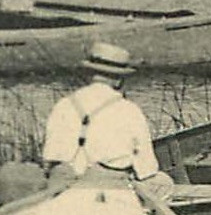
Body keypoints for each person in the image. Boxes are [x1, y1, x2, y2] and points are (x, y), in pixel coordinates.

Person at [40, 41, 172, 206]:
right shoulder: (129, 110)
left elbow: (48, 159)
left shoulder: (63, 104)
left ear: (90, 74)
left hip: (62, 188)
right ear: (119, 80)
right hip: (109, 191)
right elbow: (147, 169)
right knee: (163, 182)